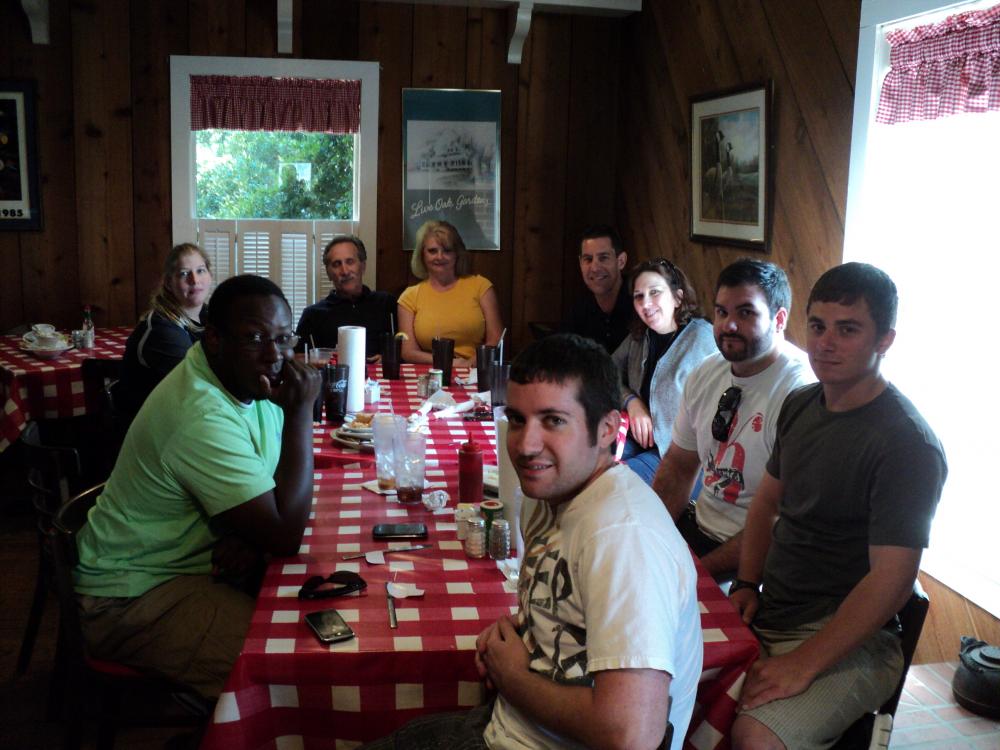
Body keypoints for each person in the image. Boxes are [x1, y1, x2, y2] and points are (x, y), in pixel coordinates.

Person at [361, 334, 702, 750]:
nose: (525, 445)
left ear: (608, 429)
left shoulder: (623, 540)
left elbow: (631, 735)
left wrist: (515, 678)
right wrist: (523, 634)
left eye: (554, 420)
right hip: (504, 724)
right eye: (518, 419)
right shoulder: (550, 495)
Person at [72, 274, 321, 702]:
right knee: (289, 669)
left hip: (188, 565)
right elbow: (284, 535)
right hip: (133, 595)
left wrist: (249, 531)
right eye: (254, 337)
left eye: (283, 338)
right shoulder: (201, 411)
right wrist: (301, 415)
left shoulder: (245, 384)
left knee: (317, 621)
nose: (274, 355)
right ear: (214, 340)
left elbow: (273, 490)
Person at [729, 263, 946, 750]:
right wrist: (746, 582)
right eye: (818, 326)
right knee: (665, 684)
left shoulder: (907, 445)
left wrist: (801, 665)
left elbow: (891, 580)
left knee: (755, 738)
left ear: (885, 340)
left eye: (847, 330)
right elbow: (766, 503)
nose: (825, 343)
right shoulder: (802, 404)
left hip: (855, 638)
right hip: (774, 610)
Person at [652, 259, 813, 579]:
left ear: (779, 319)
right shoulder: (705, 374)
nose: (729, 325)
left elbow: (786, 523)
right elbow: (678, 468)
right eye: (722, 312)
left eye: (746, 312)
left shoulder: (801, 392)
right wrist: (649, 538)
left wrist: (697, 577)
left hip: (761, 563)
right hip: (699, 534)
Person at [612, 258, 716, 484]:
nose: (645, 303)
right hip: (638, 442)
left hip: (679, 457)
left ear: (678, 298)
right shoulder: (640, 336)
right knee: (586, 469)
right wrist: (631, 400)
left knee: (614, 485)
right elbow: (606, 370)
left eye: (655, 292)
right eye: (639, 296)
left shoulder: (703, 340)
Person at [114, 243, 212, 422]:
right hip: (154, 428)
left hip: (186, 415)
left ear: (210, 275)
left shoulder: (210, 316)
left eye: (200, 270)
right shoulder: (161, 328)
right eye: (184, 274)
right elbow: (198, 386)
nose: (195, 280)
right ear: (168, 283)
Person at [397, 220, 503, 367]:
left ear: (457, 254)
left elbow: (496, 340)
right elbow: (408, 352)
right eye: (432, 251)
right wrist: (452, 363)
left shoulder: (482, 287)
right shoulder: (409, 297)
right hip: (429, 373)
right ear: (422, 255)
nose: (439, 257)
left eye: (447, 250)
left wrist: (470, 364)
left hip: (475, 370)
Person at [295, 234, 396, 358]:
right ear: (328, 273)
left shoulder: (387, 303)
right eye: (337, 264)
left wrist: (387, 357)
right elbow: (296, 358)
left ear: (363, 266)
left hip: (382, 375)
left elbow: (405, 348)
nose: (345, 271)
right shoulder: (312, 315)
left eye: (350, 261)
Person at [565, 225, 636, 353]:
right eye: (588, 259)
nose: (595, 268)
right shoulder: (579, 310)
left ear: (621, 261)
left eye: (603, 258)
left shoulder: (641, 303)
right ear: (580, 263)